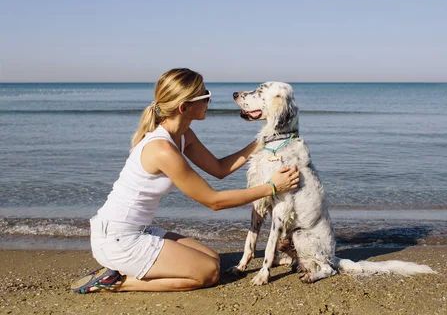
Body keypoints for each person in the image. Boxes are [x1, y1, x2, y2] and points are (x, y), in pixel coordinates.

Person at [70, 68, 300, 293]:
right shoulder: (162, 149)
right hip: (117, 238)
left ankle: (123, 269)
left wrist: (264, 140)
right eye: (205, 96)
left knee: (213, 259)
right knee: (208, 273)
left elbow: (220, 169)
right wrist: (271, 187)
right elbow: (214, 201)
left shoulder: (182, 135)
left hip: (138, 230)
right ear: (184, 107)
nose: (210, 100)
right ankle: (117, 281)